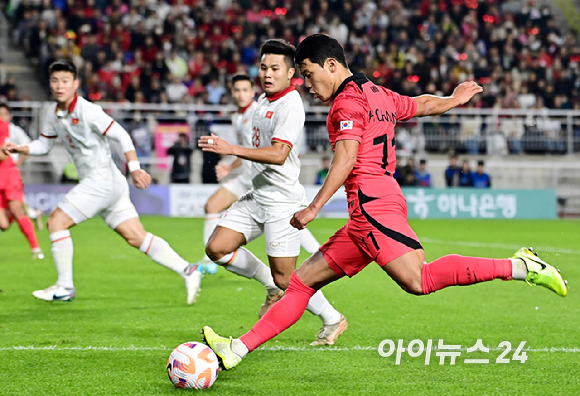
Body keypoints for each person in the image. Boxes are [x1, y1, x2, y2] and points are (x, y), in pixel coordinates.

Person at [200, 34, 567, 371]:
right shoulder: (375, 92)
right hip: (372, 207)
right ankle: (238, 348)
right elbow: (418, 104)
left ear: (331, 65)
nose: (308, 86)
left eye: (309, 76)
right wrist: (452, 100)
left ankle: (520, 266)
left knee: (418, 279)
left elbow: (345, 159)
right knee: (300, 284)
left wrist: (313, 207)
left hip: (372, 206)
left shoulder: (345, 104)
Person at [3, 60, 203, 304]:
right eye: (55, 80)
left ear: (75, 83)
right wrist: (19, 147)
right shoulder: (52, 113)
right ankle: (188, 270)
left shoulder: (88, 111)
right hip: (108, 183)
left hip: (101, 180)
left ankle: (65, 287)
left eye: (65, 80)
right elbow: (43, 145)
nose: (59, 85)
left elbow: (122, 135)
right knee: (135, 236)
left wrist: (136, 168)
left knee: (56, 222)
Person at [198, 39, 346, 345]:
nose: (267, 73)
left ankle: (332, 318)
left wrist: (230, 150)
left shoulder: (290, 105)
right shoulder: (262, 103)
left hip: (282, 204)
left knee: (286, 278)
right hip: (257, 196)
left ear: (291, 72)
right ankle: (270, 285)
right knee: (216, 249)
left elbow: (278, 154)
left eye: (275, 68)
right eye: (263, 67)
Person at [197, 74, 321, 269]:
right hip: (247, 178)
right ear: (231, 92)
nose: (240, 94)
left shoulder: (261, 110)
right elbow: (247, 147)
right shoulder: (238, 116)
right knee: (211, 206)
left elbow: (273, 148)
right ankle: (208, 261)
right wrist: (230, 166)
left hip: (266, 181)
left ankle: (318, 254)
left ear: (253, 92)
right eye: (237, 90)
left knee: (290, 223)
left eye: (245, 90)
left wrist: (287, 153)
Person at [0, 113, 44, 259]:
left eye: (4, 113)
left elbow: (4, 155)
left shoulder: (7, 128)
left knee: (16, 210)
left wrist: (18, 163)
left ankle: (35, 249)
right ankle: (31, 212)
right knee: (4, 225)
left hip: (9, 174)